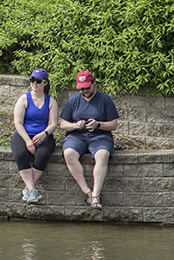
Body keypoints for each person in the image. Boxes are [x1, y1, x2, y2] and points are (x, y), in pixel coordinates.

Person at [59, 70, 119, 210]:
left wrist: (98, 124)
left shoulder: (105, 99)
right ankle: (87, 191)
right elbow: (63, 124)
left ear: (94, 83)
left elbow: (113, 125)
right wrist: (75, 125)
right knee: (68, 154)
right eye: (81, 88)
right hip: (76, 136)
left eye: (87, 87)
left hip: (100, 136)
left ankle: (96, 195)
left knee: (102, 155)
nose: (84, 91)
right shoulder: (73, 100)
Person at [11, 68, 58, 204]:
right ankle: (32, 189)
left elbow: (53, 123)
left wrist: (44, 134)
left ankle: (28, 189)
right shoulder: (24, 99)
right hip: (23, 134)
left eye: (38, 81)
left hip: (43, 135)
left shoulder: (51, 102)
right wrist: (27, 140)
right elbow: (18, 123)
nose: (34, 83)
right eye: (32, 80)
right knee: (20, 154)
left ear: (45, 83)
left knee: (43, 154)